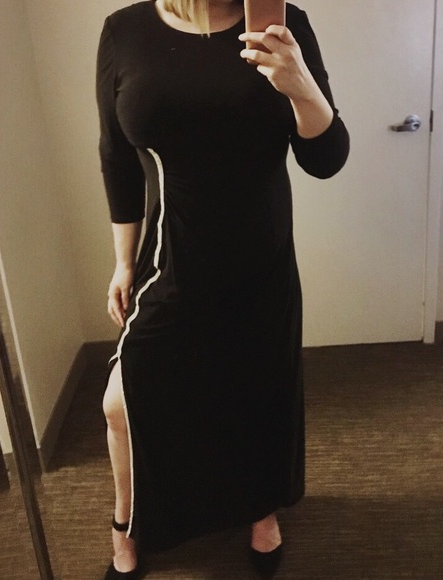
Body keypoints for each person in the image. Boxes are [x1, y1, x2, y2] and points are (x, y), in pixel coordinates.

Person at [97, 0, 349, 577]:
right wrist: (122, 263)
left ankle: (260, 509)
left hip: (259, 259)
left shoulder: (284, 21)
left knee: (254, 393)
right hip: (172, 259)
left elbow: (326, 158)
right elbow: (117, 157)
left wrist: (301, 86)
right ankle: (125, 521)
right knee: (121, 404)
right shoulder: (124, 32)